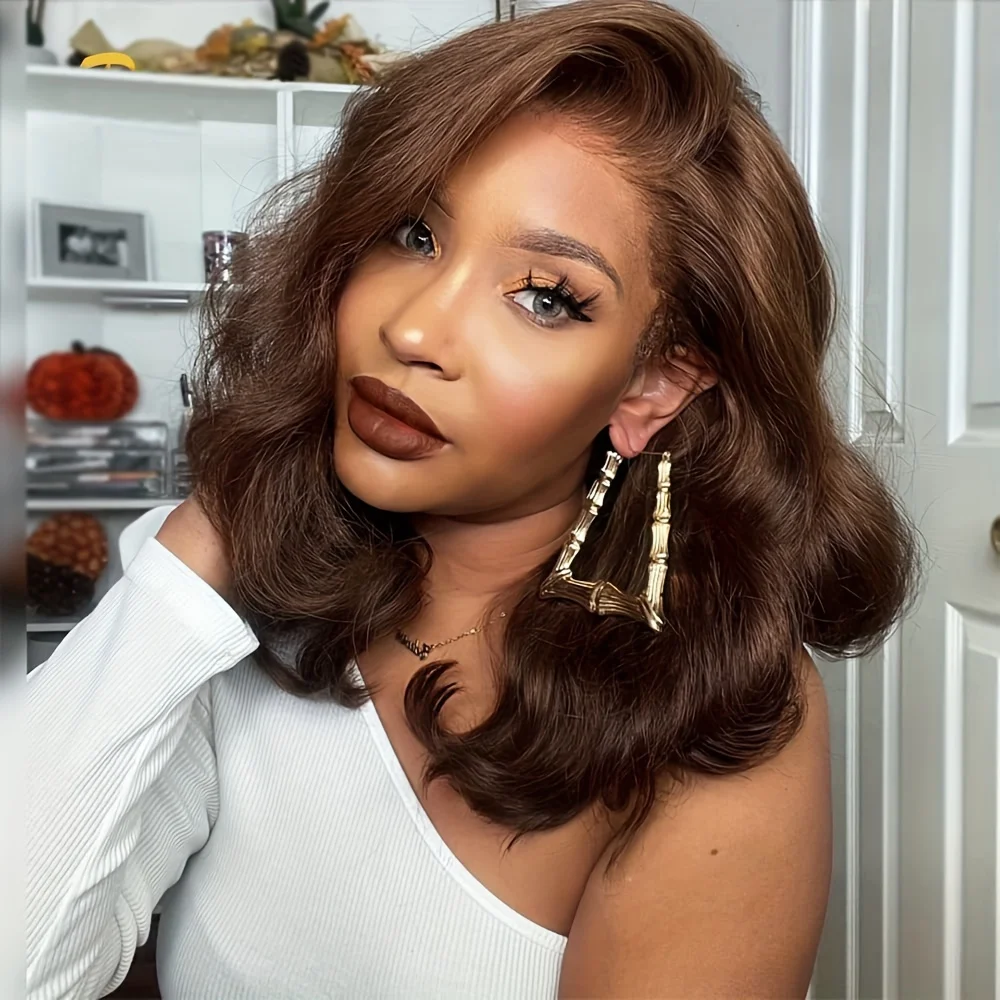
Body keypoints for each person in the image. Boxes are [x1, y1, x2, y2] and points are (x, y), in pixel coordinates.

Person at [27, 2, 917, 997]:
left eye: (544, 296)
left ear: (652, 386)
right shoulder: (227, 592)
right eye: (413, 233)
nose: (414, 330)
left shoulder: (714, 700)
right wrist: (211, 534)